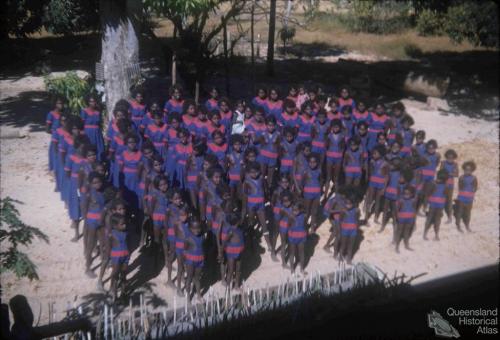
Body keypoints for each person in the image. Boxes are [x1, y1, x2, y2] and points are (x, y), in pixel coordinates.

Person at [242, 161, 278, 261]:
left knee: (264, 225)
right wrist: (244, 209)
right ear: (248, 172)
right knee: (251, 224)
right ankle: (252, 244)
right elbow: (245, 196)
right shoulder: (246, 182)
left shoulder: (261, 178)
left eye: (256, 172)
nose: (254, 174)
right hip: (251, 206)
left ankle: (269, 245)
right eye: (251, 172)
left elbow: (265, 189)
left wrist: (268, 198)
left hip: (261, 205)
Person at [81, 172, 106, 278]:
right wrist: (86, 221)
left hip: (102, 220)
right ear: (90, 184)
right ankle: (88, 267)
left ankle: (104, 259)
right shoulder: (89, 194)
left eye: (99, 182)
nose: (97, 184)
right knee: (91, 244)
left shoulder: (104, 192)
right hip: (92, 221)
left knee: (103, 241)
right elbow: (84, 207)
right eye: (94, 183)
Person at [379, 157, 402, 243]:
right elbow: (386, 181)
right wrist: (383, 190)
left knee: (395, 214)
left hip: (395, 195)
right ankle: (382, 225)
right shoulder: (389, 173)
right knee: (385, 211)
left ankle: (395, 235)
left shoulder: (400, 174)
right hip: (388, 193)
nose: (390, 166)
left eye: (392, 165)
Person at [364, 145, 389, 223]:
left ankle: (375, 218)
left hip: (380, 183)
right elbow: (371, 172)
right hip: (372, 183)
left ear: (381, 154)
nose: (373, 155)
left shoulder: (385, 164)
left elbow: (386, 176)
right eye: (373, 153)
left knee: (378, 201)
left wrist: (384, 188)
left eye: (375, 153)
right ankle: (366, 217)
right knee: (369, 199)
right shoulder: (372, 161)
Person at [220, 212, 245, 289]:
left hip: (239, 251)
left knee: (238, 269)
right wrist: (221, 252)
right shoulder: (230, 231)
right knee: (231, 270)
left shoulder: (240, 229)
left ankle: (237, 285)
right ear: (237, 221)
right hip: (231, 252)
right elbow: (224, 242)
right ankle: (228, 287)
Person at [423, 169, 449, 241]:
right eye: (438, 178)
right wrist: (425, 206)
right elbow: (427, 195)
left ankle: (436, 235)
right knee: (429, 220)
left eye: (441, 179)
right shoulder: (433, 184)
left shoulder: (446, 186)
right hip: (432, 205)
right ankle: (425, 234)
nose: (438, 180)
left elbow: (446, 196)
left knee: (437, 221)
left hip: (440, 206)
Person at [333, 195, 359, 264]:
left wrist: (356, 227)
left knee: (350, 246)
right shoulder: (343, 211)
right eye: (346, 203)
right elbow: (340, 219)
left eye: (349, 204)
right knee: (343, 244)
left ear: (353, 204)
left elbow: (357, 220)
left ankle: (349, 259)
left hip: (353, 230)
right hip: (345, 229)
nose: (348, 205)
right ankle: (340, 257)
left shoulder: (356, 210)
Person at [109, 213, 130, 301]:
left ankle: (123, 294)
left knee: (124, 275)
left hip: (125, 255)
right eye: (122, 224)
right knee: (115, 275)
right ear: (114, 225)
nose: (124, 225)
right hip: (116, 256)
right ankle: (114, 294)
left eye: (125, 223)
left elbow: (129, 243)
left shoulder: (126, 233)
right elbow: (108, 247)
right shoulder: (112, 234)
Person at [184, 219, 204, 303]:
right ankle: (188, 296)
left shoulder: (202, 236)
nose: (197, 230)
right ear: (189, 228)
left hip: (200, 259)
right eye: (194, 228)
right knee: (189, 277)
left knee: (197, 278)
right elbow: (185, 249)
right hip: (190, 260)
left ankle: (199, 295)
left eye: (198, 228)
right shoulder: (188, 238)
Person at [301, 153, 322, 232]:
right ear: (308, 162)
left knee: (314, 211)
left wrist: (319, 190)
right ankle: (304, 227)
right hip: (308, 193)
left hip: (317, 193)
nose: (312, 164)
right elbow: (302, 182)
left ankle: (312, 228)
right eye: (310, 162)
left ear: (317, 162)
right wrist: (303, 191)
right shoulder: (305, 171)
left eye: (314, 162)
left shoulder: (319, 171)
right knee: (307, 211)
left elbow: (320, 181)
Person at [455, 161, 478, 233]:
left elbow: (475, 187)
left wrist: (472, 191)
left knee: (468, 213)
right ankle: (458, 226)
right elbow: (460, 187)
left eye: (469, 170)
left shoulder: (474, 178)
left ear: (472, 170)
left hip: (469, 199)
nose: (467, 171)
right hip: (461, 198)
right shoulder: (461, 178)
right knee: (459, 212)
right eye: (466, 170)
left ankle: (467, 226)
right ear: (463, 169)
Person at [258, 116, 280, 189]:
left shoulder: (278, 135)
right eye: (269, 125)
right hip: (263, 158)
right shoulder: (263, 134)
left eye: (272, 125)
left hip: (273, 158)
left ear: (275, 125)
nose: (271, 127)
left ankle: (268, 193)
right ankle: (261, 190)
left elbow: (279, 147)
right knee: (261, 175)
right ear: (266, 125)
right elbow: (260, 144)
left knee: (270, 178)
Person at [285, 202, 308, 275]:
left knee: (301, 252)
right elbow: (288, 225)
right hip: (293, 237)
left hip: (301, 236)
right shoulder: (290, 216)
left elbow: (305, 225)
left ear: (300, 210)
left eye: (296, 210)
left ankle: (302, 269)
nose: (294, 212)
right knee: (292, 253)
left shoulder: (304, 216)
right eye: (293, 210)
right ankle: (292, 269)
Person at [80, 95, 105, 161]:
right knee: (89, 148)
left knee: (99, 148)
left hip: (97, 133)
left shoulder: (98, 112)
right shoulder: (84, 111)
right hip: (88, 133)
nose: (93, 103)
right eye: (91, 101)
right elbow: (81, 123)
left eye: (94, 101)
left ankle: (98, 163)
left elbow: (99, 124)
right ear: (88, 102)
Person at [325, 119, 345, 196]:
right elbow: (326, 146)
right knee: (328, 177)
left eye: (337, 127)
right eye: (334, 127)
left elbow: (343, 147)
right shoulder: (329, 136)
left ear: (340, 127)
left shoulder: (342, 136)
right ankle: (325, 195)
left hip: (338, 158)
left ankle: (336, 195)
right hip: (329, 157)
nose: (335, 129)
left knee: (336, 178)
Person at [174, 207, 190, 296]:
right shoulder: (176, 224)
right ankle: (179, 288)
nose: (182, 217)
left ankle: (184, 280)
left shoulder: (190, 223)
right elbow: (176, 235)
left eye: (184, 215)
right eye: (181, 215)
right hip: (179, 248)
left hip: (188, 248)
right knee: (180, 268)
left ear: (187, 215)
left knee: (186, 266)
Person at [395, 185, 417, 253]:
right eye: (404, 193)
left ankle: (406, 245)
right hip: (402, 218)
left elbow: (414, 210)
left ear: (412, 194)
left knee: (407, 232)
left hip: (410, 219)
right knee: (399, 231)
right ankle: (397, 246)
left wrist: (414, 221)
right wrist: (397, 216)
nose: (406, 195)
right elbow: (397, 209)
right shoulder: (401, 200)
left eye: (408, 194)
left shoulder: (413, 200)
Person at [440, 149, 459, 223]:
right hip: (443, 184)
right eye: (448, 157)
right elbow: (441, 173)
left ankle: (450, 217)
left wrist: (447, 173)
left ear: (454, 157)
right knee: (441, 199)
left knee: (449, 201)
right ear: (446, 157)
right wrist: (450, 173)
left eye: (452, 158)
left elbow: (457, 174)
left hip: (450, 185)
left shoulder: (455, 164)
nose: (450, 159)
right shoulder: (443, 163)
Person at [46, 96, 65, 172]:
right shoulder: (51, 114)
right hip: (56, 138)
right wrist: (55, 133)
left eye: (62, 103)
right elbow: (47, 129)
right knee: (55, 153)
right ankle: (54, 169)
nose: (61, 105)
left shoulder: (64, 114)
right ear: (55, 104)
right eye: (59, 103)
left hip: (64, 138)